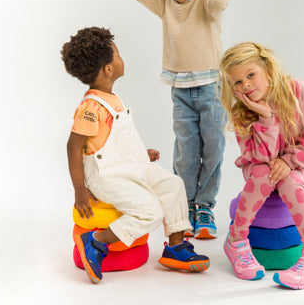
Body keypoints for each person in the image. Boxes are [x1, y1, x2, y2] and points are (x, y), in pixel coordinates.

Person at [61, 27, 210, 284]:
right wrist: (80, 189)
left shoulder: (111, 98)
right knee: (150, 212)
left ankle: (175, 247)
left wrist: (141, 154)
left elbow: (113, 140)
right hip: (107, 176)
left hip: (130, 166)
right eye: (117, 54)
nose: (122, 58)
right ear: (108, 68)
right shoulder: (90, 107)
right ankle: (95, 241)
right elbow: (73, 147)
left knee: (173, 185)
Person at [128, 0, 237, 238]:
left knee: (213, 148)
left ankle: (205, 207)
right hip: (180, 90)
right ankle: (186, 205)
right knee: (186, 153)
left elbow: (220, 2)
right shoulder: (165, 2)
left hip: (212, 87)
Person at [218, 42, 304, 290]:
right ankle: (236, 240)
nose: (245, 85)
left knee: (289, 181)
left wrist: (289, 161)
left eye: (251, 75)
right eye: (238, 82)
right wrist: (265, 116)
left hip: (298, 163)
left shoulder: (299, 91)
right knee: (263, 172)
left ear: (267, 69)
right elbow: (259, 157)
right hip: (260, 166)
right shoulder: (241, 113)